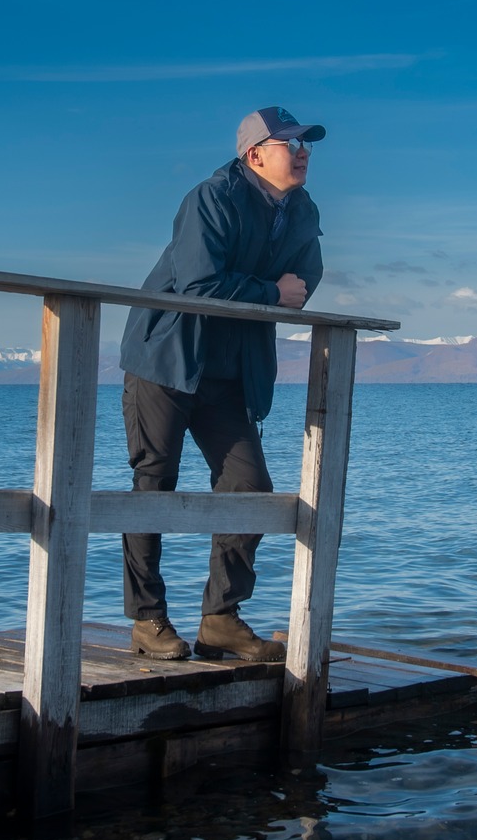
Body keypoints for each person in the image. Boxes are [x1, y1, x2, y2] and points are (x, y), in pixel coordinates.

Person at [117, 106, 326, 662]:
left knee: (250, 486)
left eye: (306, 144)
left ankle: (220, 619)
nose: (303, 152)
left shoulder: (302, 210)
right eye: (290, 144)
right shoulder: (212, 197)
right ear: (255, 154)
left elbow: (304, 282)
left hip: (230, 367)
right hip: (166, 356)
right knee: (153, 484)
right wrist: (267, 291)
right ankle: (147, 620)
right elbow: (199, 282)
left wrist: (274, 291)